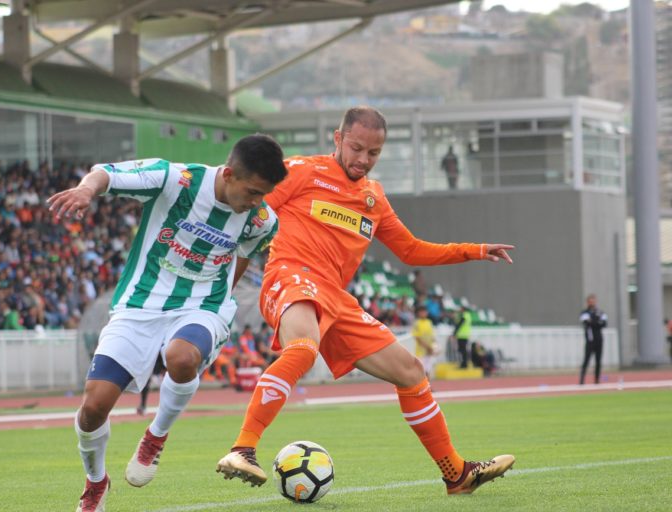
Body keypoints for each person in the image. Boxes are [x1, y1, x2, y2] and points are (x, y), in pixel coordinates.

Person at [215, 106, 516, 495]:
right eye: (356, 148)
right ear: (338, 139)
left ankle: (456, 474)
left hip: (336, 299)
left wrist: (472, 249)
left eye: (373, 153)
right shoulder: (300, 171)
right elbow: (244, 207)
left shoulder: (373, 197)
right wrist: (218, 277)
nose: (363, 160)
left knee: (411, 372)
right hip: (291, 277)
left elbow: (410, 250)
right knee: (303, 349)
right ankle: (243, 449)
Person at [47, 133, 287, 512]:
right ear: (229, 174)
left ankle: (155, 437)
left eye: (264, 194)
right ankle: (96, 482)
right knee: (94, 407)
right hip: (139, 306)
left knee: (181, 357)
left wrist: (220, 301)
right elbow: (106, 173)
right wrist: (85, 191)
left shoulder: (260, 220)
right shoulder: (176, 179)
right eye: (254, 191)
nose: (258, 202)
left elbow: (242, 256)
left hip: (201, 306)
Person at [579, 294, 607, 385]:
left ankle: (597, 379)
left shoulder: (600, 312)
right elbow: (586, 323)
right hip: (590, 340)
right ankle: (582, 380)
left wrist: (593, 321)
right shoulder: (584, 313)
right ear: (587, 302)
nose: (592, 303)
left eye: (593, 301)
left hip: (599, 339)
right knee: (586, 360)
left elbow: (604, 324)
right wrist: (596, 322)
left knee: (598, 361)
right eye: (590, 301)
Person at [412, 305, 438, 379]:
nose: (424, 313)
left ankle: (428, 386)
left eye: (425, 312)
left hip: (429, 351)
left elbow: (432, 336)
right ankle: (422, 388)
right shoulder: (417, 323)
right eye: (422, 312)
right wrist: (428, 347)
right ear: (418, 313)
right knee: (421, 370)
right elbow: (417, 338)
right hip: (421, 351)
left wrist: (434, 346)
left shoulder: (429, 322)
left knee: (428, 369)